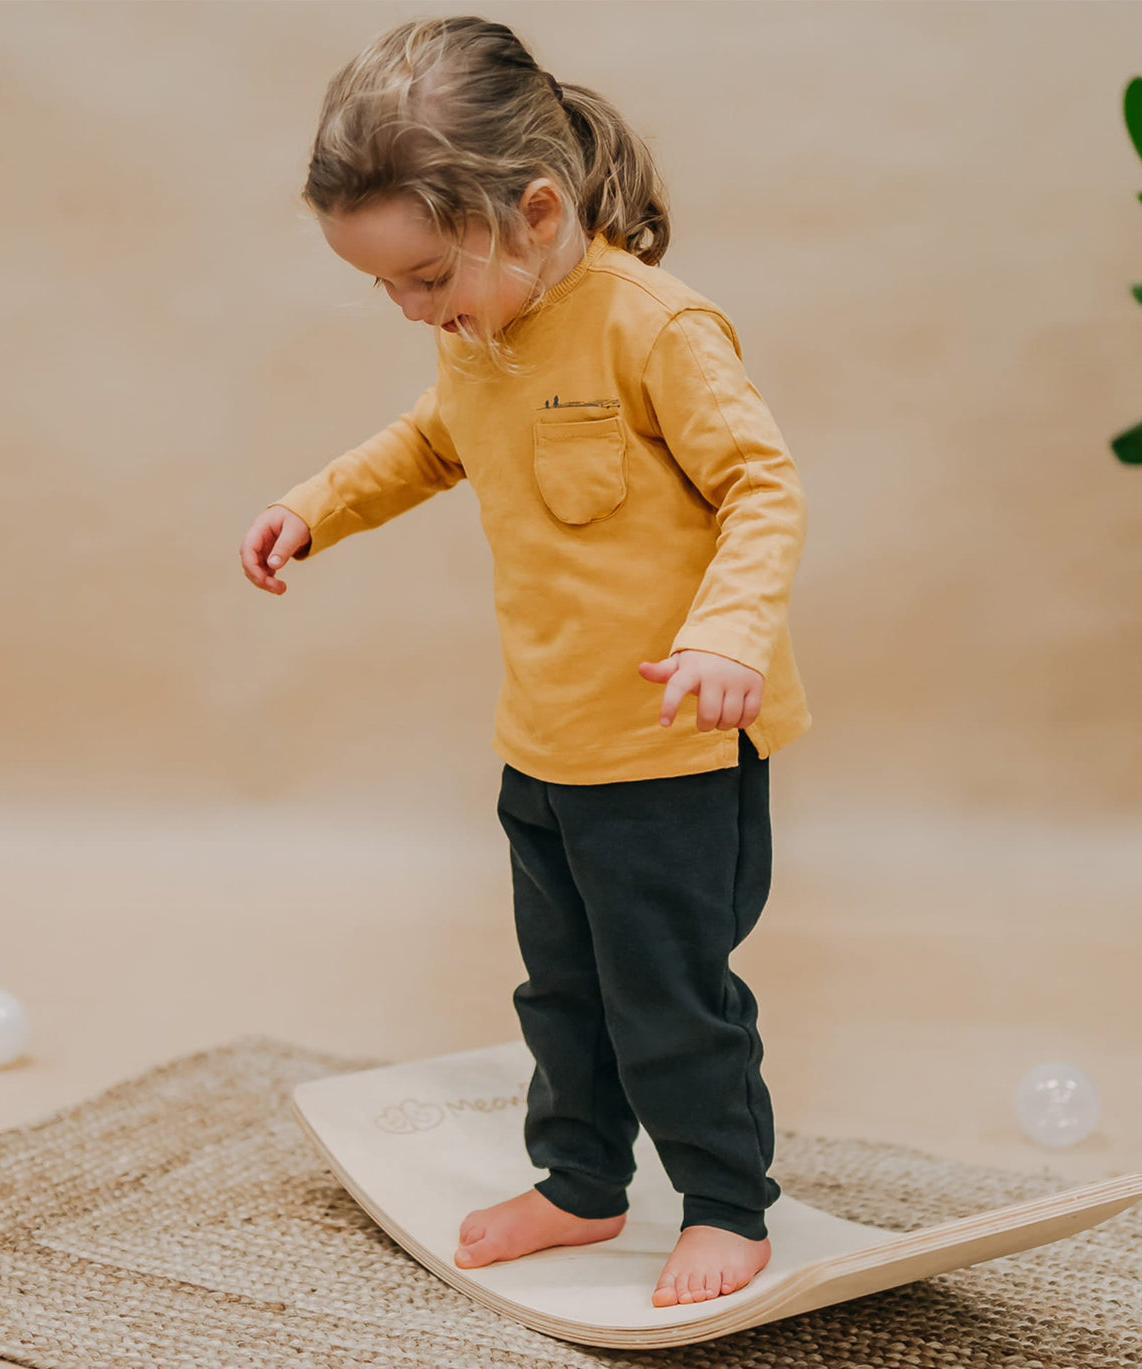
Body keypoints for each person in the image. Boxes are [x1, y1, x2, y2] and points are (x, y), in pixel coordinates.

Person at [238, 15, 812, 1309]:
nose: (411, 308)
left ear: (535, 209)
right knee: (561, 991)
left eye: (427, 274)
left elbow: (761, 487)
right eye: (385, 285)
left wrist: (726, 634)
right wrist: (317, 504)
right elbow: (430, 442)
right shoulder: (479, 339)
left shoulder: (651, 329)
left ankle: (727, 1202)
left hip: (669, 749)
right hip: (545, 743)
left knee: (668, 997)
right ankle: (580, 1181)